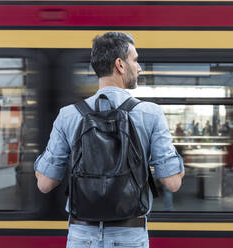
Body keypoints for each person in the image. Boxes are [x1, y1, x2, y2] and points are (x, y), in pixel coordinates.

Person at [34, 32, 185, 248]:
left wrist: (41, 167)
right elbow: (172, 183)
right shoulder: (151, 113)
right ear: (120, 65)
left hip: (81, 237)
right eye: (135, 60)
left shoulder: (68, 115)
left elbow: (45, 184)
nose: (139, 67)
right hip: (129, 235)